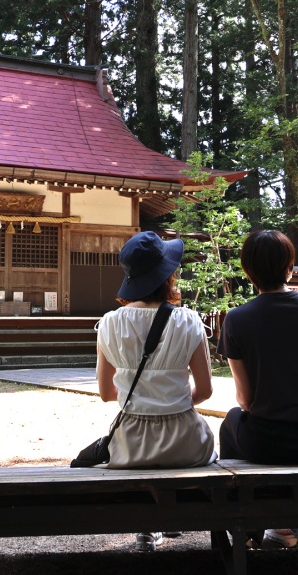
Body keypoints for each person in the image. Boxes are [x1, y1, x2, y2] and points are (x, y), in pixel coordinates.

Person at [217, 229, 298, 549]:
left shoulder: (236, 319)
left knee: (231, 421)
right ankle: (290, 528)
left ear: (248, 273)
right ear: (289, 269)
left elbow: (246, 400)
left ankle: (245, 528)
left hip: (267, 441)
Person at [96, 231, 217, 551]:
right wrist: (172, 401)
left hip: (130, 446)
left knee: (148, 459)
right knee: (201, 447)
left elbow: (107, 394)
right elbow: (204, 390)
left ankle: (149, 525)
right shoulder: (189, 322)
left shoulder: (109, 324)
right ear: (168, 276)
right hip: (185, 442)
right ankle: (168, 518)